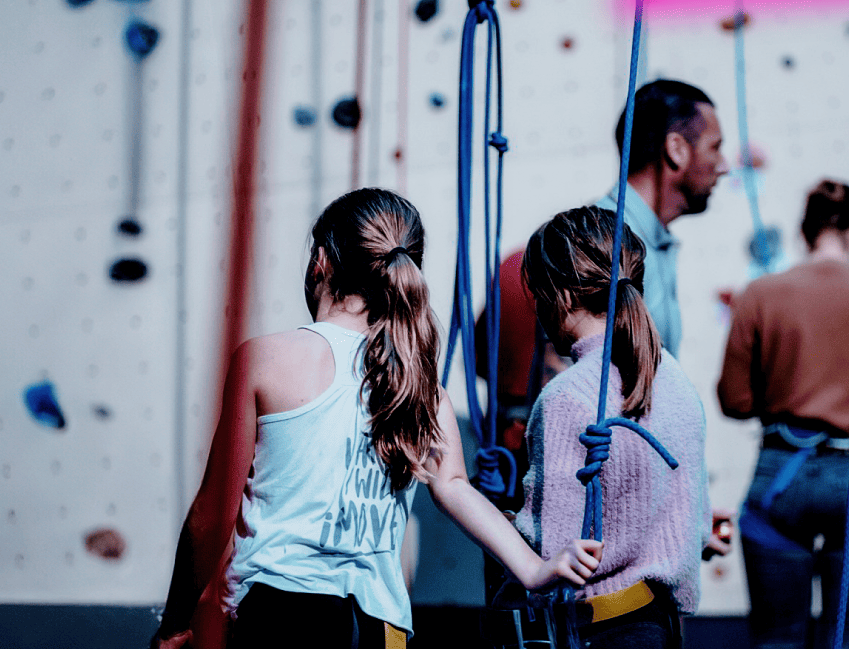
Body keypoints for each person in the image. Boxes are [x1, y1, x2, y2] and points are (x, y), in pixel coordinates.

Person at [150, 189, 602, 649]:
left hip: (283, 613)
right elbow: (455, 489)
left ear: (320, 262)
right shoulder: (423, 390)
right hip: (380, 628)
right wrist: (533, 567)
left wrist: (175, 624)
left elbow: (212, 514)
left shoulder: (266, 360)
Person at [484, 206, 712, 649]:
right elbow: (696, 522)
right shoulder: (674, 378)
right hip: (658, 624)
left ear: (562, 297)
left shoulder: (566, 397)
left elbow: (550, 549)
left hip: (597, 630)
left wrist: (495, 515)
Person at [716, 180, 849, 649]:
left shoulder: (760, 295)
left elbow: (734, 401)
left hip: (781, 475)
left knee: (776, 641)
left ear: (803, 232)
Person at [596, 79, 730, 356]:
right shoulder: (603, 242)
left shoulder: (647, 240)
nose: (724, 166)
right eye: (715, 147)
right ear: (677, 149)